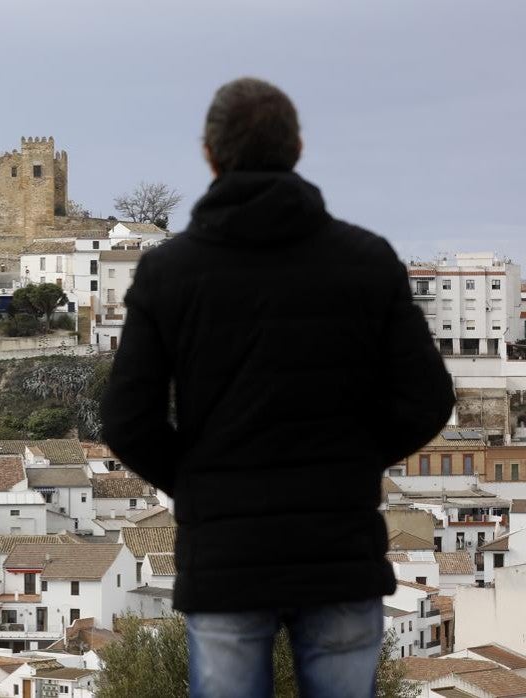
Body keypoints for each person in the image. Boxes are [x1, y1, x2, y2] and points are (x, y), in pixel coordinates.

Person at [99, 77, 454, 698]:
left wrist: (200, 480)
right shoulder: (367, 260)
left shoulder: (169, 272)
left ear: (209, 154)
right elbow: (426, 398)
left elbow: (129, 420)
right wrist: (352, 462)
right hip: (339, 549)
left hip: (225, 558)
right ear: (298, 149)